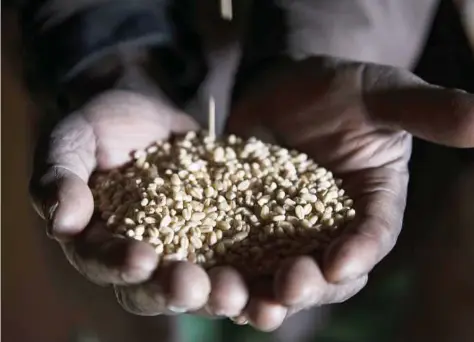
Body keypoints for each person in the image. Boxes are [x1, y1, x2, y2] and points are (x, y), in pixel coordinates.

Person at [21, 0, 474, 333]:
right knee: (140, 305)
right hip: (119, 77)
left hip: (346, 93)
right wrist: (110, 60)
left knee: (311, 297)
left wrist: (331, 48)